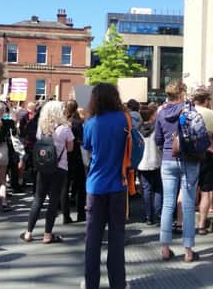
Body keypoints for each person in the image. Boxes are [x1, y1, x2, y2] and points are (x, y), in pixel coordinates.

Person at [81, 83, 130, 289]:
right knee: (117, 239)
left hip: (95, 186)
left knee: (92, 240)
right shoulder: (123, 119)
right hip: (119, 184)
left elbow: (87, 153)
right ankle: (117, 284)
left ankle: (91, 283)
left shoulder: (91, 123)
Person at [155, 80, 200, 263]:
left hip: (167, 159)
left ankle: (165, 249)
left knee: (168, 204)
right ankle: (188, 251)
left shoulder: (160, 112)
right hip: (188, 159)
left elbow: (157, 138)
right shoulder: (189, 110)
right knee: (188, 205)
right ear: (182, 93)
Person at [21, 101, 73, 243]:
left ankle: (28, 232)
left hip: (43, 166)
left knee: (38, 199)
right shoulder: (65, 128)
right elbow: (70, 148)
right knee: (54, 200)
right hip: (60, 167)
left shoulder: (41, 127)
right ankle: (47, 234)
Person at [193, 90, 213, 236]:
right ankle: (201, 225)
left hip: (190, 155)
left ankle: (184, 223)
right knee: (206, 192)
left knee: (189, 189)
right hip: (209, 155)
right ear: (206, 100)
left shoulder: (186, 113)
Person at [137, 106, 162, 226]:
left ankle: (148, 216)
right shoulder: (156, 128)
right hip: (156, 160)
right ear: (152, 116)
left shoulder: (137, 130)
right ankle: (158, 213)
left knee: (146, 189)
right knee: (158, 188)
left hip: (142, 163)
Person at [63, 100, 86, 224]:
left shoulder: (62, 123)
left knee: (64, 187)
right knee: (80, 186)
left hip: (63, 157)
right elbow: (83, 140)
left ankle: (66, 215)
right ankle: (81, 213)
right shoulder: (78, 123)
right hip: (76, 156)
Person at [0, 102, 16, 211]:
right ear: (4, 111)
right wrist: (9, 108)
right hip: (3, 150)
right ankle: (4, 202)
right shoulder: (7, 122)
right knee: (2, 178)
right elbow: (15, 119)